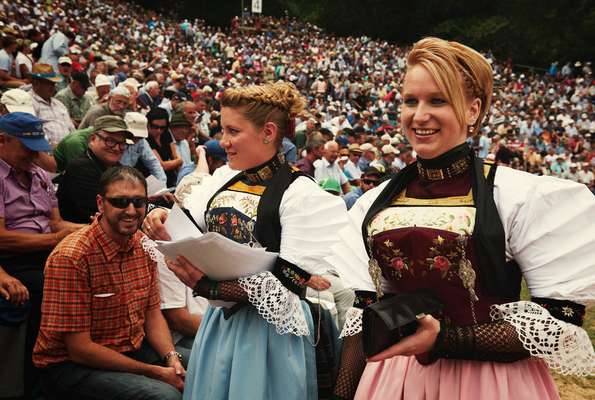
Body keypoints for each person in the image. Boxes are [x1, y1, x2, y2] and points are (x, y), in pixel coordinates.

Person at [330, 37, 594, 400]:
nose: (419, 115)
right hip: (394, 382)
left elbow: (556, 322)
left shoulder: (517, 195)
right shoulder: (373, 204)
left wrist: (444, 339)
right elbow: (363, 321)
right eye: (411, 101)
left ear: (472, 110)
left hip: (491, 384)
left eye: (437, 100)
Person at [143, 81, 348, 400]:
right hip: (218, 324)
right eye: (222, 130)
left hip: (267, 334)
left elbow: (288, 285)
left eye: (233, 131)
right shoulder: (223, 179)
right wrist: (158, 217)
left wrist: (209, 287)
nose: (223, 142)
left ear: (268, 132)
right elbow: (186, 222)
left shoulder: (301, 194)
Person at [33, 166, 184, 400]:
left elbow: (153, 313)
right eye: (120, 202)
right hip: (71, 367)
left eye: (138, 202)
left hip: (131, 348)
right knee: (165, 395)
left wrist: (171, 358)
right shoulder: (71, 257)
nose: (131, 210)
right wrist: (154, 372)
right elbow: (79, 349)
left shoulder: (143, 244)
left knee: (201, 370)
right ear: (101, 204)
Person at [0, 112, 83, 398]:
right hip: (15, 259)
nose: (34, 155)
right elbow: (1, 238)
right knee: (54, 288)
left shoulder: (37, 174)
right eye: (26, 147)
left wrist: (94, 227)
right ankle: (37, 379)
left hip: (47, 250)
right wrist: (53, 239)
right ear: (3, 141)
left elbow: (57, 222)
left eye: (37, 148)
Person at [57, 116, 134, 223]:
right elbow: (101, 214)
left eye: (122, 144)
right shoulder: (80, 168)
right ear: (92, 139)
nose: (117, 148)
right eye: (110, 141)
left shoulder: (117, 167)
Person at [30, 63, 75, 147]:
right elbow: (33, 133)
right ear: (36, 84)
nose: (53, 87)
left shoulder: (58, 104)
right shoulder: (29, 102)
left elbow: (71, 129)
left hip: (68, 149)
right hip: (47, 151)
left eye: (53, 84)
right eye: (49, 83)